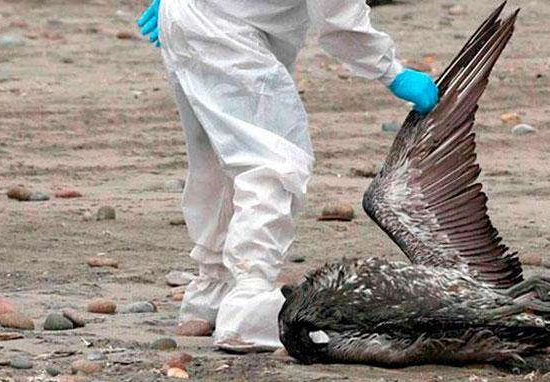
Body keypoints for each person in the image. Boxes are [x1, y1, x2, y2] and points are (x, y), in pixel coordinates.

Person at [136, 0, 439, 351]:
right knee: (271, 161)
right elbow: (337, 18)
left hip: (194, 16)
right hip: (225, 28)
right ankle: (248, 303)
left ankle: (214, 289)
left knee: (218, 156)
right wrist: (391, 71)